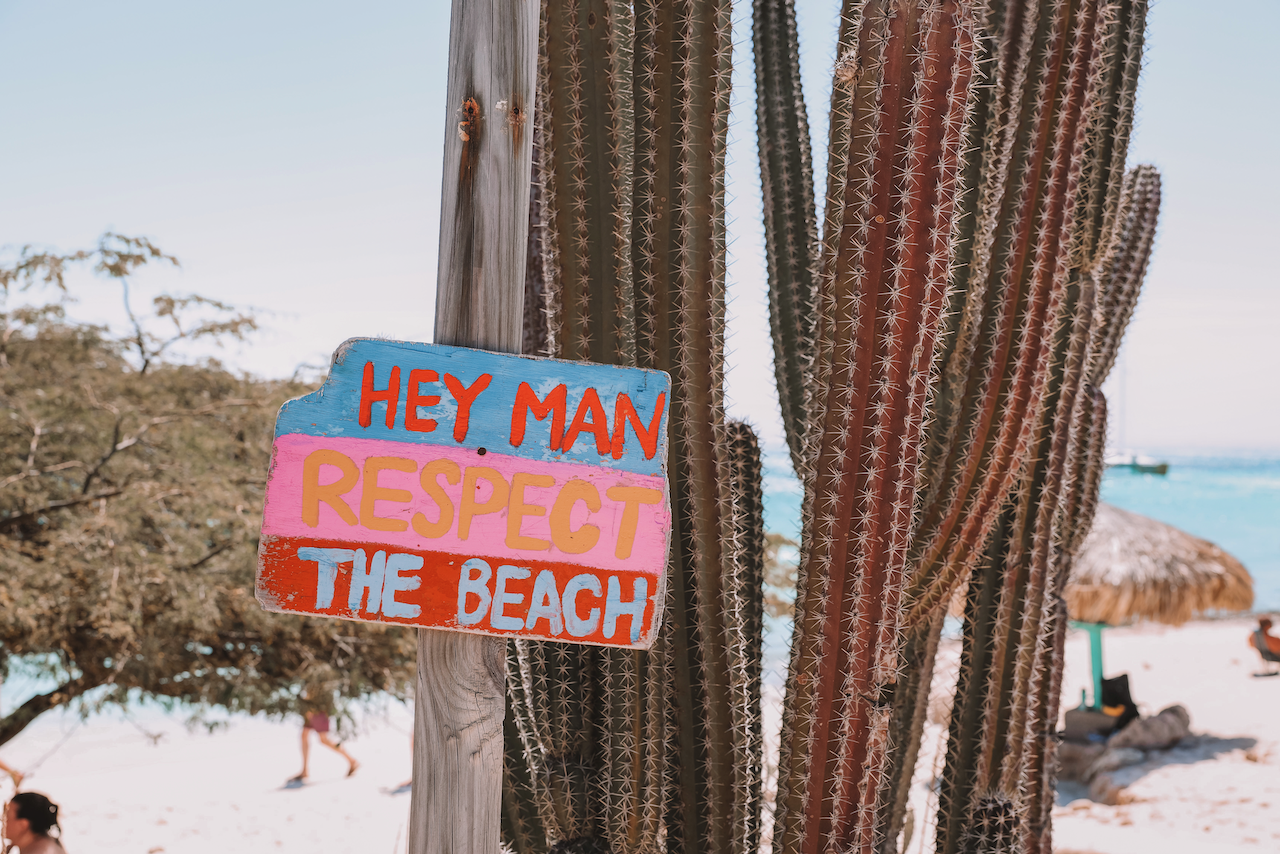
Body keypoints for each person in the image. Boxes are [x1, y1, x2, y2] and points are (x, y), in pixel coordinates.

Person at [288, 706, 358, 784]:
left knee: (324, 740)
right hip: (311, 710)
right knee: (304, 735)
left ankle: (352, 760)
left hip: (319, 711)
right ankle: (304, 770)